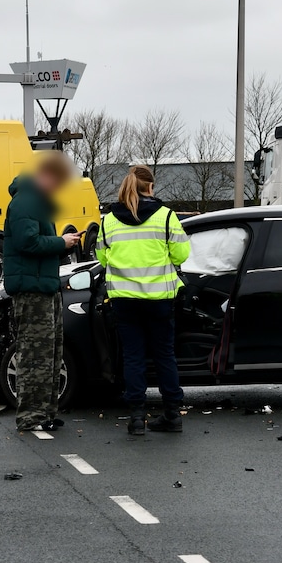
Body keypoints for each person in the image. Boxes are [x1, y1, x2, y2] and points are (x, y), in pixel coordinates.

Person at [96, 165, 190, 435]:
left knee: (133, 358)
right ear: (150, 187)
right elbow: (181, 254)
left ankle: (137, 418)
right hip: (160, 300)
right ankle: (172, 414)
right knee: (164, 356)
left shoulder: (109, 220)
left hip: (124, 301)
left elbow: (102, 258)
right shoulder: (166, 217)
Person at [2, 151, 80, 432]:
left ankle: (45, 412)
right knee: (35, 355)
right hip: (32, 289)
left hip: (44, 286)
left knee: (49, 353)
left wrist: (61, 245)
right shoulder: (25, 201)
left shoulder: (37, 201)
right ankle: (31, 416)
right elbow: (28, 242)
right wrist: (62, 242)